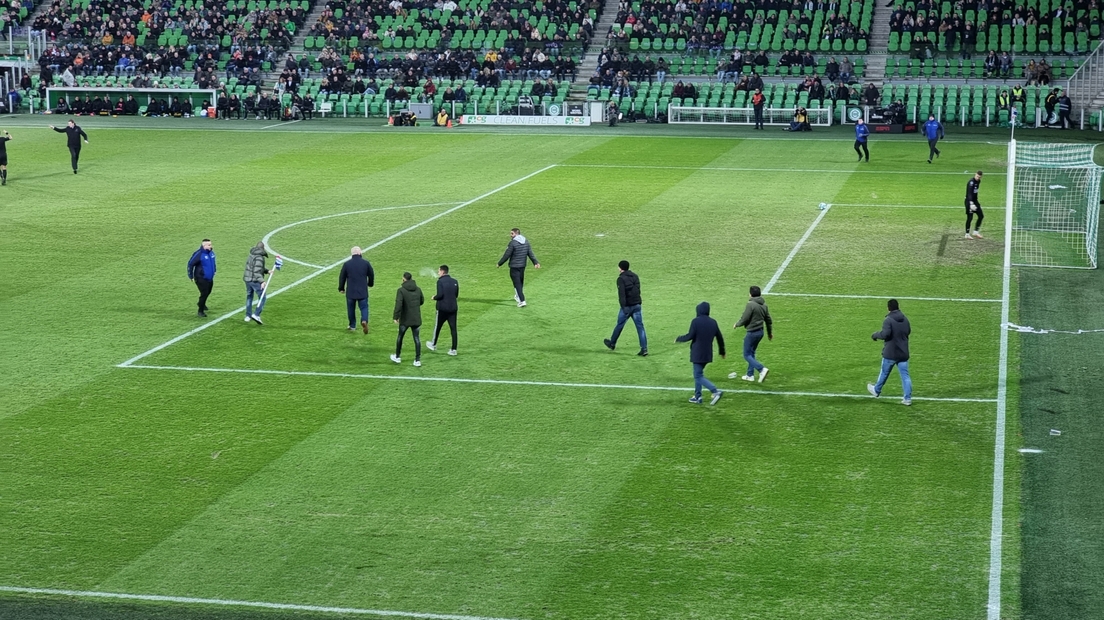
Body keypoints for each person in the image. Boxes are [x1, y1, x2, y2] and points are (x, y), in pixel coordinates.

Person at [676, 302, 725, 405]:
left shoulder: (696, 321)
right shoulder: (713, 322)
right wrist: (722, 351)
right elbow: (719, 338)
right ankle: (698, 397)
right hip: (707, 354)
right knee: (698, 374)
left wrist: (679, 338)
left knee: (698, 376)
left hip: (698, 354)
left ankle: (715, 391)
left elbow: (690, 336)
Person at [867, 298, 912, 406]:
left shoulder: (888, 320)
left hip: (891, 353)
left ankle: (876, 390)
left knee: (884, 373)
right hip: (903, 353)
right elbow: (908, 331)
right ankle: (907, 399)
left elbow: (885, 334)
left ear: (888, 308)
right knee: (905, 376)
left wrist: (875, 335)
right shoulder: (905, 319)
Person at [603, 260, 648, 356]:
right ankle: (644, 349)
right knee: (640, 327)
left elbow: (622, 295)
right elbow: (637, 290)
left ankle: (612, 343)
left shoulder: (621, 279)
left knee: (620, 325)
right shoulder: (635, 276)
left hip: (627, 306)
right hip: (637, 305)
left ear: (620, 268)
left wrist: (624, 307)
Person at [729, 285, 773, 382]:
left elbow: (745, 318)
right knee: (751, 353)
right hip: (760, 332)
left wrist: (737, 324)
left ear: (751, 294)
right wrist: (770, 333)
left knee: (747, 355)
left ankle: (761, 369)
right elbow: (768, 320)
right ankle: (750, 375)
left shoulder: (751, 304)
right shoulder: (764, 305)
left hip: (752, 332)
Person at [497, 227, 540, 307]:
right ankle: (517, 296)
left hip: (514, 266)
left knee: (517, 284)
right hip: (522, 266)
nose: (510, 235)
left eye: (512, 233)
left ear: (516, 234)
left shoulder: (513, 243)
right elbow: (530, 253)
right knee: (520, 282)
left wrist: (500, 263)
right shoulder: (526, 241)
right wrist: (535, 262)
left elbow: (507, 255)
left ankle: (522, 301)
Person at [338, 245, 375, 333]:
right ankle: (364, 320)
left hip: (351, 292)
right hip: (362, 291)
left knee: (351, 309)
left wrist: (341, 288)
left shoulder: (347, 264)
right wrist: (370, 284)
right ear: (360, 253)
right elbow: (371, 274)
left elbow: (342, 277)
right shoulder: (366, 263)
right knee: (364, 307)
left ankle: (352, 326)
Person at [391, 272, 424, 366]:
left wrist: (396, 317)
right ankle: (417, 360)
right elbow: (421, 301)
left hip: (405, 318)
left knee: (400, 337)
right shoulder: (418, 289)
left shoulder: (401, 290)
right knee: (417, 338)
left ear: (403, 279)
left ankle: (397, 357)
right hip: (416, 317)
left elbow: (398, 304)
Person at [427, 264, 459, 355]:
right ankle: (454, 349)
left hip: (443, 309)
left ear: (442, 271)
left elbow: (440, 295)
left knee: (438, 326)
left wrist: (434, 297)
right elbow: (456, 295)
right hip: (453, 308)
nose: (438, 273)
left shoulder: (440, 281)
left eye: (439, 271)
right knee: (453, 329)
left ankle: (433, 344)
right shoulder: (455, 281)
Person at [187, 239, 216, 317]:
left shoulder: (211, 253)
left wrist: (214, 270)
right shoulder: (199, 254)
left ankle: (201, 303)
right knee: (204, 293)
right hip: (201, 277)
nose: (211, 246)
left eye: (211, 244)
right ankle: (200, 311)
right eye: (209, 245)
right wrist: (190, 276)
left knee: (208, 291)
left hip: (209, 277)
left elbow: (213, 263)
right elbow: (190, 264)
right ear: (204, 246)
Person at [242, 241, 269, 325]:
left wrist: (267, 271)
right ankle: (256, 314)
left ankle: (248, 316)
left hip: (247, 279)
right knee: (263, 297)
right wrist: (262, 281)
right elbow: (256, 271)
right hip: (254, 280)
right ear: (263, 248)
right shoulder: (260, 257)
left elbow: (254, 267)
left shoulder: (251, 254)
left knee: (249, 296)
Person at [965, 170, 984, 239]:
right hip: (969, 201)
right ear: (975, 174)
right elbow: (969, 193)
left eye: (979, 177)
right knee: (970, 218)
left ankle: (975, 232)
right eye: (977, 176)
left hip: (975, 201)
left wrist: (975, 202)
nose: (978, 178)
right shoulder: (971, 182)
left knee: (981, 216)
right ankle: (967, 234)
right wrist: (971, 203)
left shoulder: (978, 181)